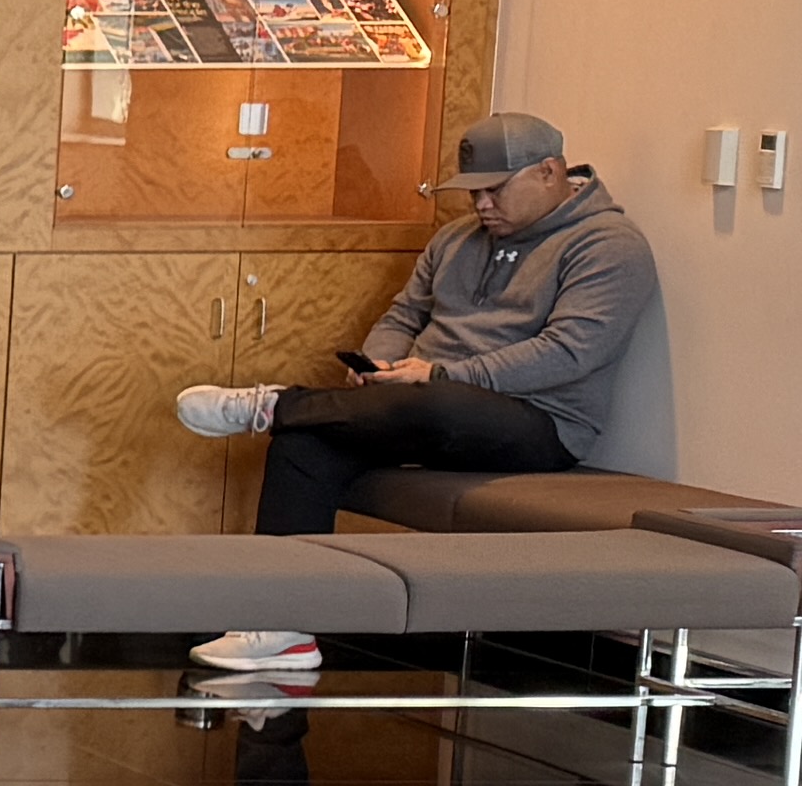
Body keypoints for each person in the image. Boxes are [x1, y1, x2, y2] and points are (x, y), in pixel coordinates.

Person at [176, 111, 659, 656]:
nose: (480, 206)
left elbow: (571, 352)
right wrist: (379, 366)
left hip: (538, 422)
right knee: (304, 445)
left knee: (433, 401)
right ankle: (282, 626)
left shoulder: (610, 246)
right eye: (472, 192)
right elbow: (405, 315)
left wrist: (441, 374)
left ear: (549, 173)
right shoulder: (455, 239)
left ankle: (279, 404)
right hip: (422, 403)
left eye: (495, 190)